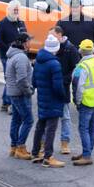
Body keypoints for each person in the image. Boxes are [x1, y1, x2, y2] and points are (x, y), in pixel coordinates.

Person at [30, 34, 66, 167]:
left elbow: (34, 82)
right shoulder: (54, 64)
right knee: (51, 128)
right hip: (53, 100)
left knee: (40, 126)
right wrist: (63, 96)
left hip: (42, 98)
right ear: (55, 49)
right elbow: (58, 86)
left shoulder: (38, 60)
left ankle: (35, 153)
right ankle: (48, 157)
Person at [72, 39, 94, 165]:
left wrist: (77, 101)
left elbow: (77, 87)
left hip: (85, 101)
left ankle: (86, 155)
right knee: (91, 128)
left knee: (83, 128)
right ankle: (87, 152)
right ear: (93, 50)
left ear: (80, 51)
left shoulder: (81, 67)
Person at [5, 31, 34, 159]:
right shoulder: (21, 58)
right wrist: (29, 91)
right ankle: (21, 148)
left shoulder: (13, 55)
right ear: (23, 43)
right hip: (20, 94)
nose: (30, 43)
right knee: (28, 120)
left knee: (16, 120)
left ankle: (13, 146)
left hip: (13, 92)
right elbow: (22, 79)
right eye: (28, 41)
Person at [51, 25, 80, 155]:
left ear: (60, 35)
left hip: (63, 89)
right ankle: (44, 144)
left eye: (52, 36)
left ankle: (65, 143)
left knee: (65, 117)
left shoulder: (70, 49)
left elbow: (76, 69)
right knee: (48, 117)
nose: (50, 39)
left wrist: (64, 80)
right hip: (51, 88)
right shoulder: (50, 47)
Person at [0, 0, 24, 112]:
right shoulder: (2, 24)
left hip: (19, 56)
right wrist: (9, 49)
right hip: (7, 56)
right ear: (9, 11)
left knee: (15, 79)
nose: (16, 12)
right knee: (11, 79)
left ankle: (6, 102)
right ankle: (7, 103)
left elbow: (23, 35)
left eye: (17, 10)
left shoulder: (20, 23)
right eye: (14, 10)